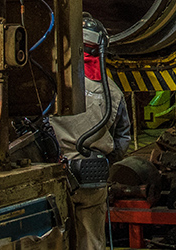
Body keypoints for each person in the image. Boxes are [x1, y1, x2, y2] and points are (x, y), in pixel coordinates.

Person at [50, 15, 131, 250]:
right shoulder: (112, 91)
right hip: (92, 178)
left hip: (56, 173)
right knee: (91, 242)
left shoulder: (56, 82)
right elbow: (122, 139)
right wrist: (106, 160)